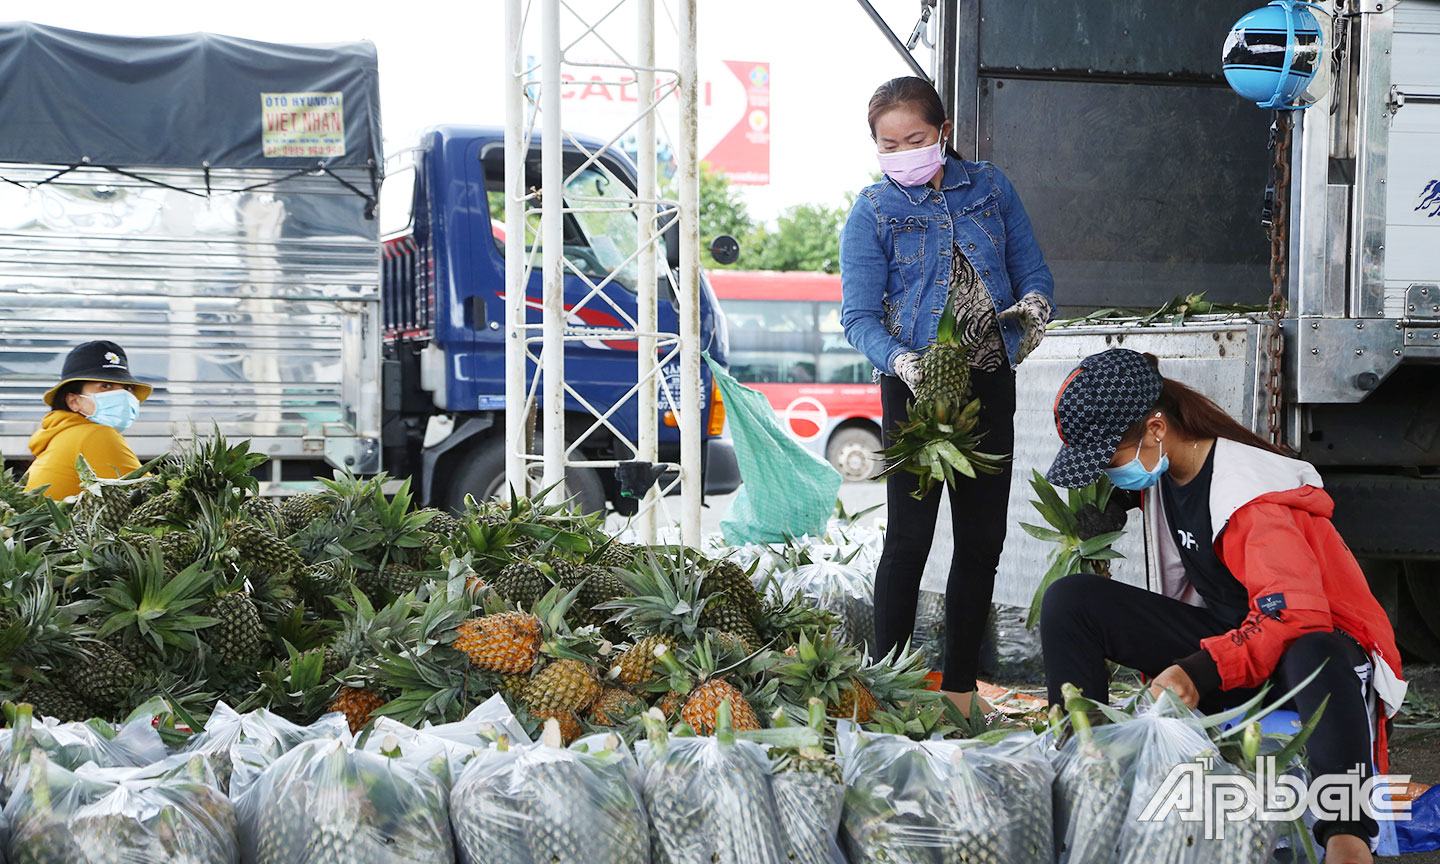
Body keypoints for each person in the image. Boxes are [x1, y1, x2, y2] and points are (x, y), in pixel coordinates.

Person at [1039, 348, 1405, 864]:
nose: (1109, 472)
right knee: (1070, 601)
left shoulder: (1251, 500)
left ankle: (1348, 836)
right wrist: (1113, 507)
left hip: (1318, 657)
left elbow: (1294, 616)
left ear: (1156, 428)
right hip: (1239, 638)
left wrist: (1200, 669)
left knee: (1313, 649)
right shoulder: (1168, 470)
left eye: (1110, 460)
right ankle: (1084, 769)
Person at [839, 76, 1054, 719]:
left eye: (915, 139)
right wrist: (902, 361)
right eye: (888, 144)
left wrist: (1035, 305)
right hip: (915, 390)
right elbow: (857, 317)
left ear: (943, 133)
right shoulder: (873, 211)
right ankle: (886, 692)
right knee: (909, 542)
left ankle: (960, 691)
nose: (902, 153)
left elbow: (1032, 271)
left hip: (988, 382)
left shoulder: (990, 189)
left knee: (981, 542)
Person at [25, 341, 152, 499]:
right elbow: (149, 496)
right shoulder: (96, 435)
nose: (123, 395)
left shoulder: (65, 433)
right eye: (106, 386)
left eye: (127, 388)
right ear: (73, 401)